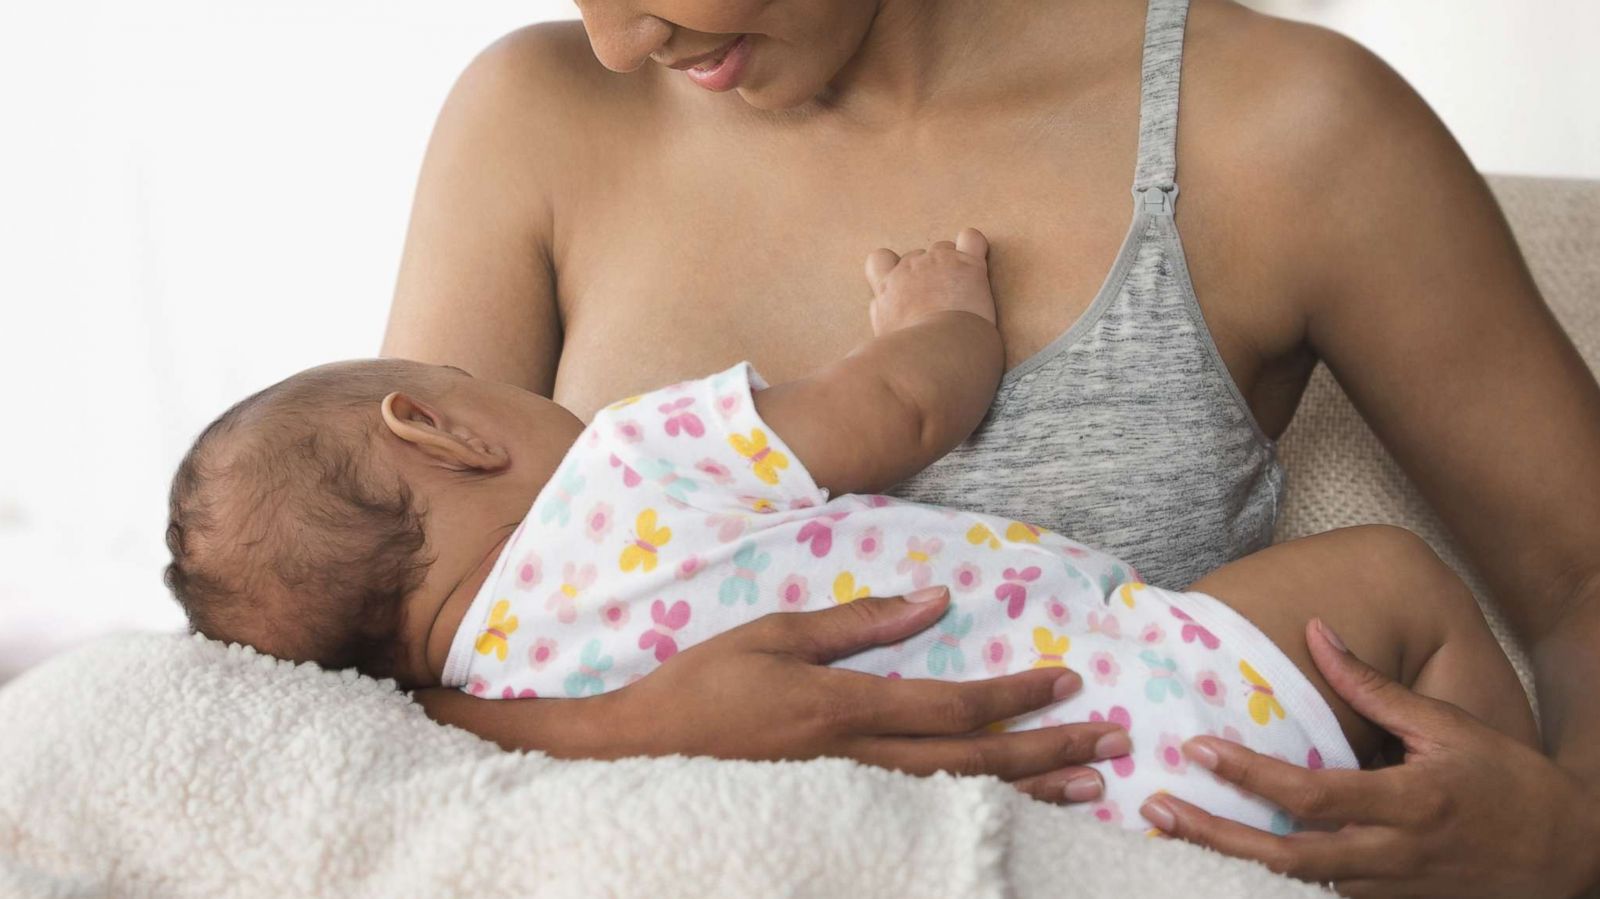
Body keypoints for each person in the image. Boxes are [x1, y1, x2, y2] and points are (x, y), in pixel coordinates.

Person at [381, 0, 1600, 893]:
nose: (615, 37)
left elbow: (1581, 572)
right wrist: (624, 728)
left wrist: (1574, 834)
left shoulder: (1282, 129)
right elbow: (360, 652)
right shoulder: (536, 121)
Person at [164, 230, 1532, 840]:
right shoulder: (631, 457)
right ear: (439, 427)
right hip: (1145, 698)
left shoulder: (488, 707)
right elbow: (900, 406)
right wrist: (937, 313)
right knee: (1398, 582)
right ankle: (1460, 819)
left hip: (1068, 829)